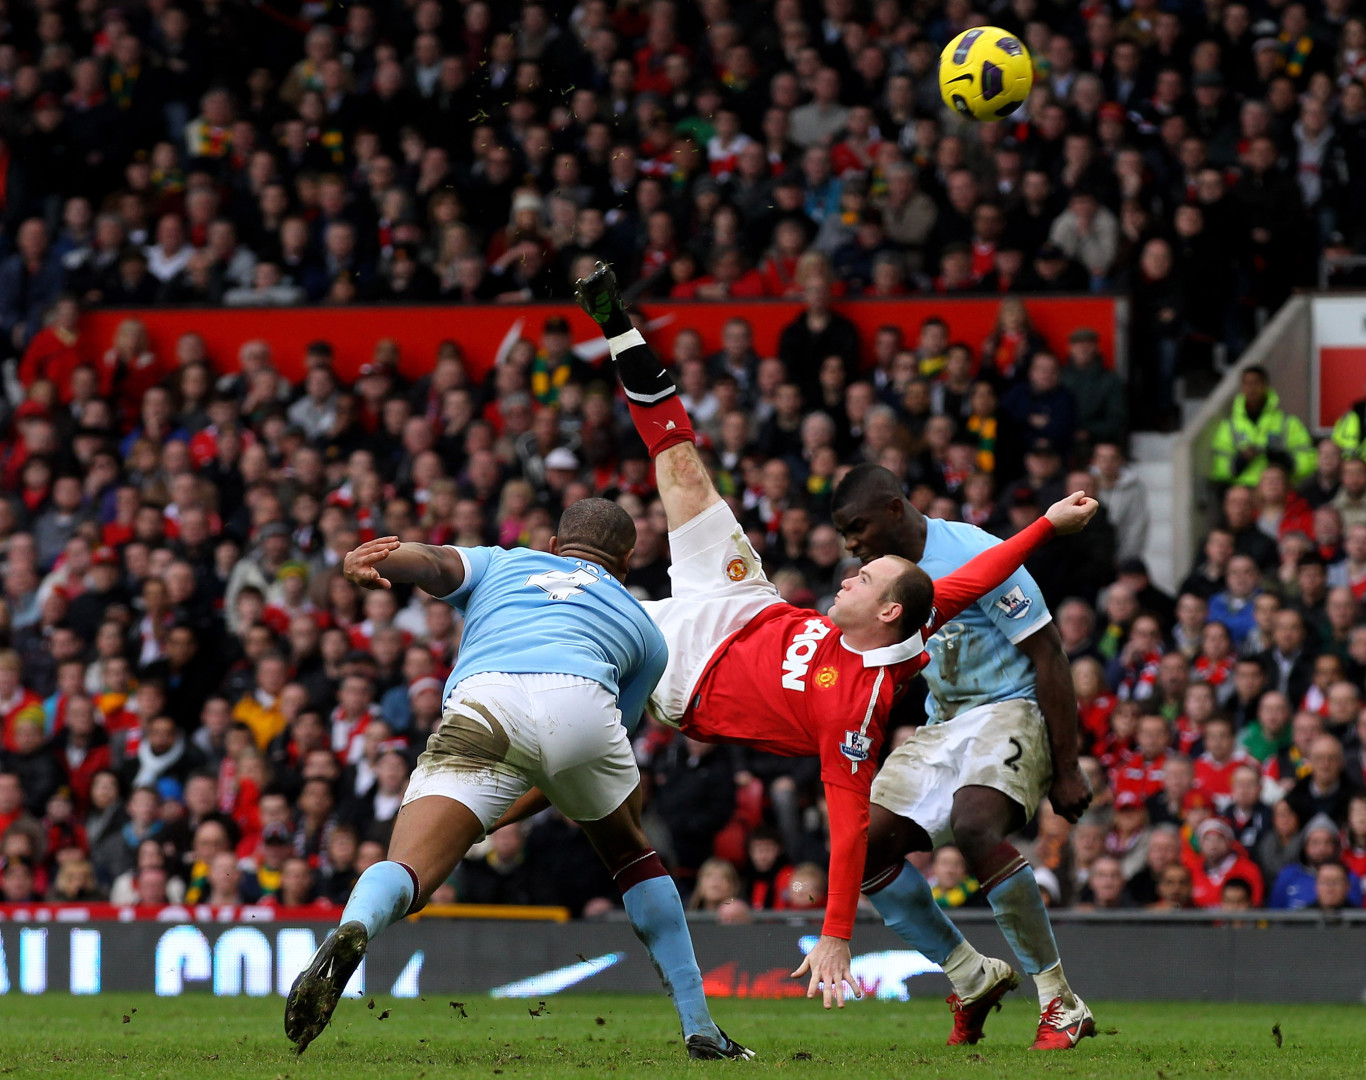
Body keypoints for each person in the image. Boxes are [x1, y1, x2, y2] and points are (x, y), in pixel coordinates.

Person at [569, 261, 1097, 1015]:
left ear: (886, 611)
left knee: (563, 639)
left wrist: (835, 934)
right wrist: (1049, 521)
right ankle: (619, 324)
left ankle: (1055, 996)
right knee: (682, 470)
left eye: (863, 569)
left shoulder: (852, 709)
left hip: (680, 668)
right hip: (741, 601)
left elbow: (844, 831)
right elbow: (976, 578)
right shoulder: (902, 615)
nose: (848, 571)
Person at [283, 497, 751, 1061]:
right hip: (583, 703)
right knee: (631, 853)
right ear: (626, 560)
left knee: (408, 868)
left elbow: (433, 561)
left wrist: (379, 558)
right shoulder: (645, 631)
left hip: (486, 698)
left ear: (554, 545)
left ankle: (353, 926)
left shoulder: (505, 562)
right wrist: (501, 815)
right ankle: (700, 1026)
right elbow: (573, 760)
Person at [830, 461, 1097, 1050]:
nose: (851, 544)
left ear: (894, 510)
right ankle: (971, 977)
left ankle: (1060, 1001)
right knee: (862, 846)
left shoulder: (974, 550)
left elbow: (1049, 652)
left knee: (976, 824)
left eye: (857, 527)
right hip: (944, 723)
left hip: (1012, 708)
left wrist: (1068, 765)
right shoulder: (879, 581)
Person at [1209, 366, 1316, 487]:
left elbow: (1308, 461)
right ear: (1241, 388)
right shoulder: (1229, 426)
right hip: (1243, 492)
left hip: (1278, 490)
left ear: (1266, 386)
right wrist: (1242, 459)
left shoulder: (1288, 423)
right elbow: (1218, 467)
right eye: (1247, 384)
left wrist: (1281, 459)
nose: (1252, 388)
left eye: (1256, 383)